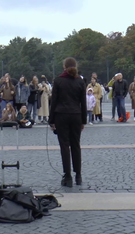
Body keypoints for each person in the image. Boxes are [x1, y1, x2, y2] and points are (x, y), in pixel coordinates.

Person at [49, 57, 87, 187]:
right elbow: (83, 102)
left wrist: (51, 120)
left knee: (64, 146)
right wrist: (83, 120)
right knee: (76, 145)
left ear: (64, 67)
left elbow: (53, 101)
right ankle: (79, 175)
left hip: (61, 115)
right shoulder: (80, 82)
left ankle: (67, 176)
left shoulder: (58, 81)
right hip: (76, 115)